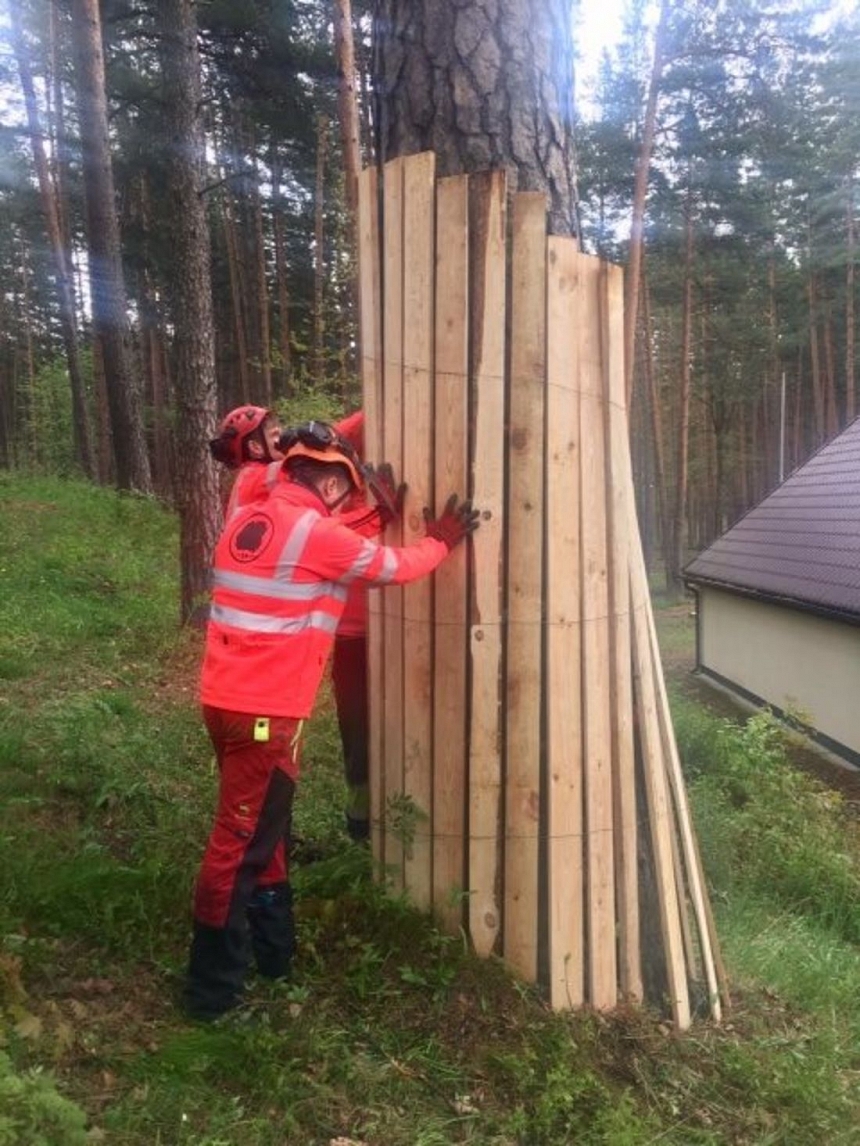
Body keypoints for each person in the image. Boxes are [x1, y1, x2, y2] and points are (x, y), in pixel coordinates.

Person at [184, 430, 478, 1020]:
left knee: (267, 831)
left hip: (229, 704)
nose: (344, 501)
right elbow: (391, 566)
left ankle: (273, 955)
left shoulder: (250, 518)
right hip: (265, 715)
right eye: (342, 489)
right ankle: (211, 995)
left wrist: (372, 514)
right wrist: (442, 540)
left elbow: (318, 555)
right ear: (325, 480)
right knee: (237, 845)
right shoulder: (315, 531)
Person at [208, 404, 286, 520]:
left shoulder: (247, 475)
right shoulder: (265, 476)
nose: (284, 438)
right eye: (275, 434)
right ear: (255, 447)